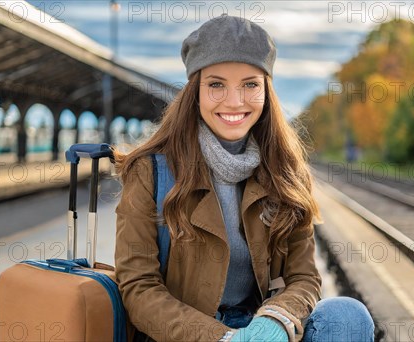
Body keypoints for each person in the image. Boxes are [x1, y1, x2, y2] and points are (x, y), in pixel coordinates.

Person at [113, 14, 375, 342]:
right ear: (195, 91)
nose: (234, 101)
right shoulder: (150, 172)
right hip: (189, 336)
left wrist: (276, 323)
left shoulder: (285, 173)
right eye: (216, 84)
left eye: (250, 84)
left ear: (266, 91)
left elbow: (304, 278)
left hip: (260, 330)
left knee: (348, 316)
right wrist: (222, 339)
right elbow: (139, 288)